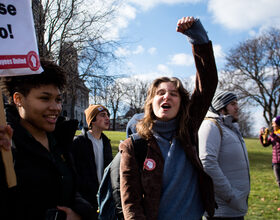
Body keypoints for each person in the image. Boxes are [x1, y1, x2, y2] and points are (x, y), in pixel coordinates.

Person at [119, 16, 218, 219]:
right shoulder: (134, 146)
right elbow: (131, 202)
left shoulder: (189, 129)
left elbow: (207, 82)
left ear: (181, 103)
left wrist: (197, 37)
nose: (167, 96)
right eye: (160, 93)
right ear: (151, 103)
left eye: (173, 94)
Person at [0, 59, 93, 220]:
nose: (56, 108)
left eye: (58, 99)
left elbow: (70, 190)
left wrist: (79, 214)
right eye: (45, 98)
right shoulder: (6, 145)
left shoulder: (60, 140)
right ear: (18, 99)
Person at [198, 91, 250, 220]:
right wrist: (231, 196)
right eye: (233, 104)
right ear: (221, 107)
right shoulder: (211, 125)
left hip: (235, 209)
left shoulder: (230, 128)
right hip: (222, 211)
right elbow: (207, 163)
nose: (237, 107)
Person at [70, 104, 113, 219]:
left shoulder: (106, 143)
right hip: (85, 202)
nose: (107, 118)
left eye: (108, 115)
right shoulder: (78, 143)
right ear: (92, 120)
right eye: (103, 115)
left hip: (104, 199)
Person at [259, 116, 280, 190]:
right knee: (279, 181)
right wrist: (262, 136)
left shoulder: (275, 134)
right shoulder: (273, 134)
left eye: (274, 123)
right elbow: (265, 144)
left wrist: (271, 134)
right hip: (275, 163)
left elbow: (278, 139)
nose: (273, 125)